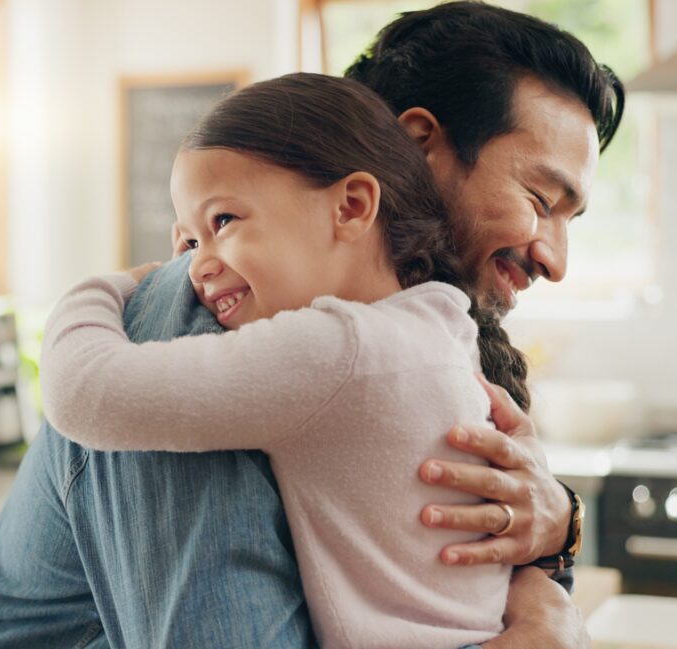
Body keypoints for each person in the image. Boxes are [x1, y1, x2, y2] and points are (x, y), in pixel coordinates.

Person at [0, 3, 623, 648]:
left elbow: (457, 575)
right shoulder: (199, 316)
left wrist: (554, 543)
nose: (554, 259)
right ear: (418, 146)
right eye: (540, 199)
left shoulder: (434, 334)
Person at [42, 72, 527, 649]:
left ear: (351, 206)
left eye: (223, 222)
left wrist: (109, 287)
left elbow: (87, 394)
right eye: (187, 245)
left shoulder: (338, 352)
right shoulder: (440, 326)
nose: (194, 270)